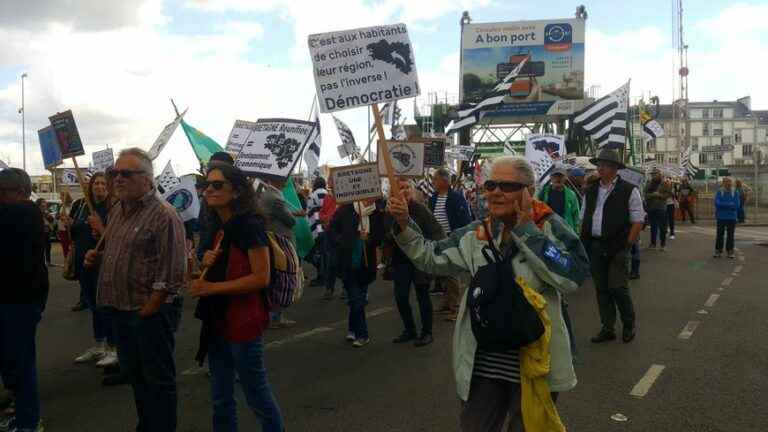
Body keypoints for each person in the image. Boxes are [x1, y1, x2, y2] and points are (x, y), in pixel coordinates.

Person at [388, 156, 589, 431]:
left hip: (534, 364)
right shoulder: (476, 233)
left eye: (506, 186)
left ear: (528, 190)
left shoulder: (549, 227)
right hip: (483, 366)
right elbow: (430, 257)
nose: (495, 191)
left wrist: (526, 231)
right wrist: (403, 223)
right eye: (491, 185)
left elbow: (573, 276)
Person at [84, 148, 186, 431]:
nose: (117, 178)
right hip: (120, 310)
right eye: (115, 173)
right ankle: (147, 425)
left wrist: (149, 309)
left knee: (158, 380)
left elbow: (173, 271)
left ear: (148, 179)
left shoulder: (165, 215)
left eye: (126, 173)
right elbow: (127, 253)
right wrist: (99, 258)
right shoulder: (118, 210)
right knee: (136, 377)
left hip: (148, 312)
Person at [191, 162, 284, 432]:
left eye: (217, 185)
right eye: (206, 184)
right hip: (217, 322)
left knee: (256, 394)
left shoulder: (249, 226)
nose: (209, 189)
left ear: (237, 191)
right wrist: (202, 261)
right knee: (221, 397)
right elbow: (213, 269)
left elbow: (260, 277)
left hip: (243, 323)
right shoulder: (218, 227)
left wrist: (211, 289)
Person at [0, 168, 48, 432]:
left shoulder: (24, 212)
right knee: (13, 360)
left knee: (20, 361)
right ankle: (21, 412)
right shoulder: (18, 213)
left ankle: (29, 422)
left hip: (18, 302)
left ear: (18, 192)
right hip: (15, 299)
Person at [581, 149, 645, 344]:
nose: (600, 168)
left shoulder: (629, 189)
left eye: (605, 165)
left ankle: (628, 325)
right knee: (601, 289)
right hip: (595, 246)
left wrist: (626, 246)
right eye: (599, 164)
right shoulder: (591, 190)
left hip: (618, 247)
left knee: (618, 288)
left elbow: (638, 220)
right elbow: (583, 216)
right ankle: (607, 327)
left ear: (615, 168)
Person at [383, 179, 445, 347]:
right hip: (400, 261)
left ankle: (427, 332)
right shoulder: (390, 211)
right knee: (401, 297)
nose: (404, 191)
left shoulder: (421, 209)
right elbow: (386, 235)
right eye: (400, 187)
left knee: (422, 296)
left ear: (412, 190)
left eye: (407, 187)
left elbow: (436, 231)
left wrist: (434, 253)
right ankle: (409, 330)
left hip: (420, 260)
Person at [71, 173, 118, 368]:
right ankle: (99, 344)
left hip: (104, 265)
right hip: (85, 263)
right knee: (93, 305)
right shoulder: (82, 205)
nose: (99, 187)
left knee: (106, 307)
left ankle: (114, 348)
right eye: (95, 183)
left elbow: (116, 238)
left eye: (102, 183)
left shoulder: (114, 208)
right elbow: (75, 233)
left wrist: (100, 228)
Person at [329, 199, 385, 347]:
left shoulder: (377, 212)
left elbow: (381, 237)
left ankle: (352, 328)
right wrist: (343, 240)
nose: (369, 198)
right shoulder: (346, 209)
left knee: (357, 299)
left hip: (366, 264)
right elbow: (332, 229)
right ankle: (362, 334)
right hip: (347, 262)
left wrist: (370, 239)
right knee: (356, 299)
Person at [429, 168, 472, 322]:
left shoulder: (456, 197)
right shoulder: (433, 197)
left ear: (444, 181)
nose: (433, 182)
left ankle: (455, 307)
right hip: (438, 239)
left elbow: (465, 219)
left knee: (452, 273)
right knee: (443, 272)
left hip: (452, 238)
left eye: (435, 179)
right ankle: (447, 303)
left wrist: (460, 237)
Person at [256, 178, 297, 330]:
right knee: (280, 278)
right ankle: (275, 317)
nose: (286, 179)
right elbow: (290, 221)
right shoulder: (274, 198)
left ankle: (273, 315)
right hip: (280, 241)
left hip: (273, 239)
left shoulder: (267, 195)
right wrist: (294, 216)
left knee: (275, 276)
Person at [536, 166, 580, 233]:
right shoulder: (544, 192)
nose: (558, 179)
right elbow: (537, 208)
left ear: (565, 178)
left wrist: (577, 232)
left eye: (561, 176)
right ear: (551, 178)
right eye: (555, 176)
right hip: (548, 229)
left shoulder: (571, 194)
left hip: (566, 230)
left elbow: (576, 215)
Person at [307, 177, 329, 287]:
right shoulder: (328, 194)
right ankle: (326, 275)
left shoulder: (313, 195)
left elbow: (311, 212)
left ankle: (321, 276)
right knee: (325, 252)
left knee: (319, 252)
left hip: (317, 227)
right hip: (326, 226)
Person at [643, 168, 672, 251]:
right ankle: (653, 244)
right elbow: (645, 194)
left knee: (662, 227)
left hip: (661, 208)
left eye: (655, 174)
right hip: (651, 208)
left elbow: (668, 195)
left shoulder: (664, 183)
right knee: (653, 227)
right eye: (652, 174)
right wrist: (653, 195)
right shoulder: (649, 183)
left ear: (659, 174)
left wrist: (659, 195)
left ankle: (663, 245)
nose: (653, 175)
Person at [714, 177, 741, 259]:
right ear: (723, 183)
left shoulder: (735, 192)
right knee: (719, 235)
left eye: (729, 182)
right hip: (721, 217)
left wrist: (724, 204)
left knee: (730, 235)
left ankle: (730, 251)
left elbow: (737, 205)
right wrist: (730, 204)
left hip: (731, 218)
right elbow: (717, 204)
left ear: (732, 183)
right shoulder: (719, 192)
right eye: (726, 182)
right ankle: (718, 251)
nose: (728, 184)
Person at [36, 198, 54, 266]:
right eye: (43, 202)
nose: (45, 203)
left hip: (47, 232)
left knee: (48, 246)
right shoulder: (37, 211)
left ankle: (48, 261)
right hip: (40, 232)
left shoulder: (46, 212)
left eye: (45, 202)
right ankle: (41, 262)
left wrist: (48, 216)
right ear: (39, 204)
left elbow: (51, 220)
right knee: (41, 247)